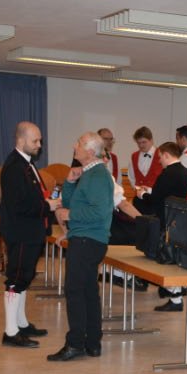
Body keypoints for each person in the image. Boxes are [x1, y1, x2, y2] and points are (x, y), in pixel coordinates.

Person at [48, 132, 115, 361]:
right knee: (88, 291)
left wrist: (71, 214)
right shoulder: (88, 174)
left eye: (78, 143)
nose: (74, 146)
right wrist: (69, 182)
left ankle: (75, 343)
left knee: (75, 290)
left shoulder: (98, 175)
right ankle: (92, 343)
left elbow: (99, 211)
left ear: (90, 151)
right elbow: (70, 202)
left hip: (88, 240)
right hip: (86, 238)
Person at [0, 122, 59, 347]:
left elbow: (32, 195)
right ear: (21, 140)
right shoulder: (14, 166)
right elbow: (19, 205)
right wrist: (48, 206)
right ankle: (10, 332)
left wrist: (46, 202)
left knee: (25, 276)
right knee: (16, 278)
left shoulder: (25, 163)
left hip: (30, 229)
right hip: (21, 231)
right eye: (35, 141)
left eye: (40, 140)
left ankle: (21, 324)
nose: (39, 145)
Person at [133, 142, 187, 312]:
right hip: (177, 220)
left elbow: (157, 201)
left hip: (164, 220)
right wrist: (151, 190)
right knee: (172, 259)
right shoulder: (185, 172)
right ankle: (174, 294)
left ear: (166, 155)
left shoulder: (167, 174)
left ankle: (174, 295)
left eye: (160, 157)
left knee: (162, 259)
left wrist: (142, 194)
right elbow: (167, 194)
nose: (159, 161)